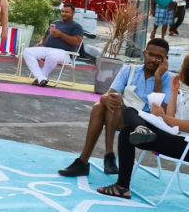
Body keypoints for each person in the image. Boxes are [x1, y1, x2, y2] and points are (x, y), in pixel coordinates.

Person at [94, 52, 189, 199]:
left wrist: (162, 116)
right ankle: (141, 129)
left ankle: (122, 186)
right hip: (178, 137)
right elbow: (173, 116)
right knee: (129, 112)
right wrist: (174, 92)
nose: (181, 72)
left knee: (127, 132)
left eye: (183, 69)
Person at [58, 38, 172, 177]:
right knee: (100, 106)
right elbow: (109, 94)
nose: (153, 59)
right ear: (144, 53)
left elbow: (162, 112)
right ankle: (94, 159)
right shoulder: (129, 71)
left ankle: (99, 158)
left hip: (146, 127)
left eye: (159, 57)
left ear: (165, 59)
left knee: (111, 104)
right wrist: (104, 97)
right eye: (150, 54)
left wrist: (158, 78)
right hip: (123, 117)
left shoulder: (169, 79)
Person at [22, 3, 84, 86]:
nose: (64, 14)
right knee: (27, 51)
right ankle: (41, 78)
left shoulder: (76, 26)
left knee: (52, 55)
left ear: (73, 13)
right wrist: (41, 42)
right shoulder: (56, 23)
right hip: (47, 49)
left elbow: (78, 42)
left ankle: (41, 77)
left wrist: (61, 35)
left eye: (67, 12)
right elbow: (46, 35)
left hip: (65, 53)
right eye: (62, 11)